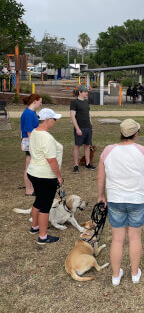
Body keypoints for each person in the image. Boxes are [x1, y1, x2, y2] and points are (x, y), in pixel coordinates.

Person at [97, 119, 144, 285]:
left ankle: (116, 275)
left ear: (121, 133)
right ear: (136, 134)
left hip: (115, 200)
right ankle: (135, 274)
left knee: (117, 239)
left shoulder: (108, 151)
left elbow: (101, 177)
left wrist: (101, 195)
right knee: (135, 238)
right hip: (138, 200)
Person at [27, 108, 63, 245]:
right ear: (47, 120)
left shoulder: (35, 132)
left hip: (33, 172)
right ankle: (43, 236)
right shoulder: (47, 138)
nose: (55, 122)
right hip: (45, 176)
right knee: (45, 206)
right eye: (54, 119)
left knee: (39, 200)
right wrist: (59, 176)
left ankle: (35, 226)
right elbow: (51, 160)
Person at [70, 85, 96, 173]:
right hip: (80, 128)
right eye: (85, 91)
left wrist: (91, 125)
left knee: (87, 146)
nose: (87, 93)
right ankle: (75, 165)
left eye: (87, 91)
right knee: (77, 146)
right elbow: (72, 116)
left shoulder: (86, 102)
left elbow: (88, 114)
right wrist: (77, 128)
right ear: (80, 92)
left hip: (88, 127)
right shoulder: (74, 103)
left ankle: (88, 163)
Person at [20, 94, 42, 196]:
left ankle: (31, 186)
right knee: (29, 166)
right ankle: (29, 190)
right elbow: (29, 132)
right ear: (34, 101)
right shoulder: (28, 113)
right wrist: (34, 146)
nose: (41, 104)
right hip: (29, 142)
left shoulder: (32, 112)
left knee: (31, 165)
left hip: (32, 140)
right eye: (40, 102)